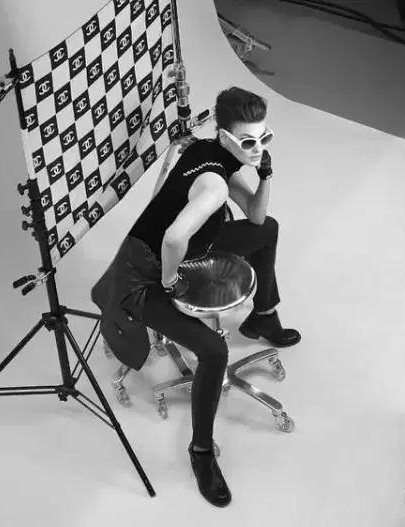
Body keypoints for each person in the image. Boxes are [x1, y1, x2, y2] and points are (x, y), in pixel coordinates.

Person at [91, 86, 301, 507]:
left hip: (191, 248)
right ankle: (202, 452)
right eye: (248, 142)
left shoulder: (214, 151)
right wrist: (170, 282)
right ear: (225, 137)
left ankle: (262, 316)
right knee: (213, 351)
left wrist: (265, 175)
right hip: (144, 276)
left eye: (264, 137)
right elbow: (173, 238)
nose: (258, 148)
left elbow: (256, 216)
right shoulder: (214, 187)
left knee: (268, 230)